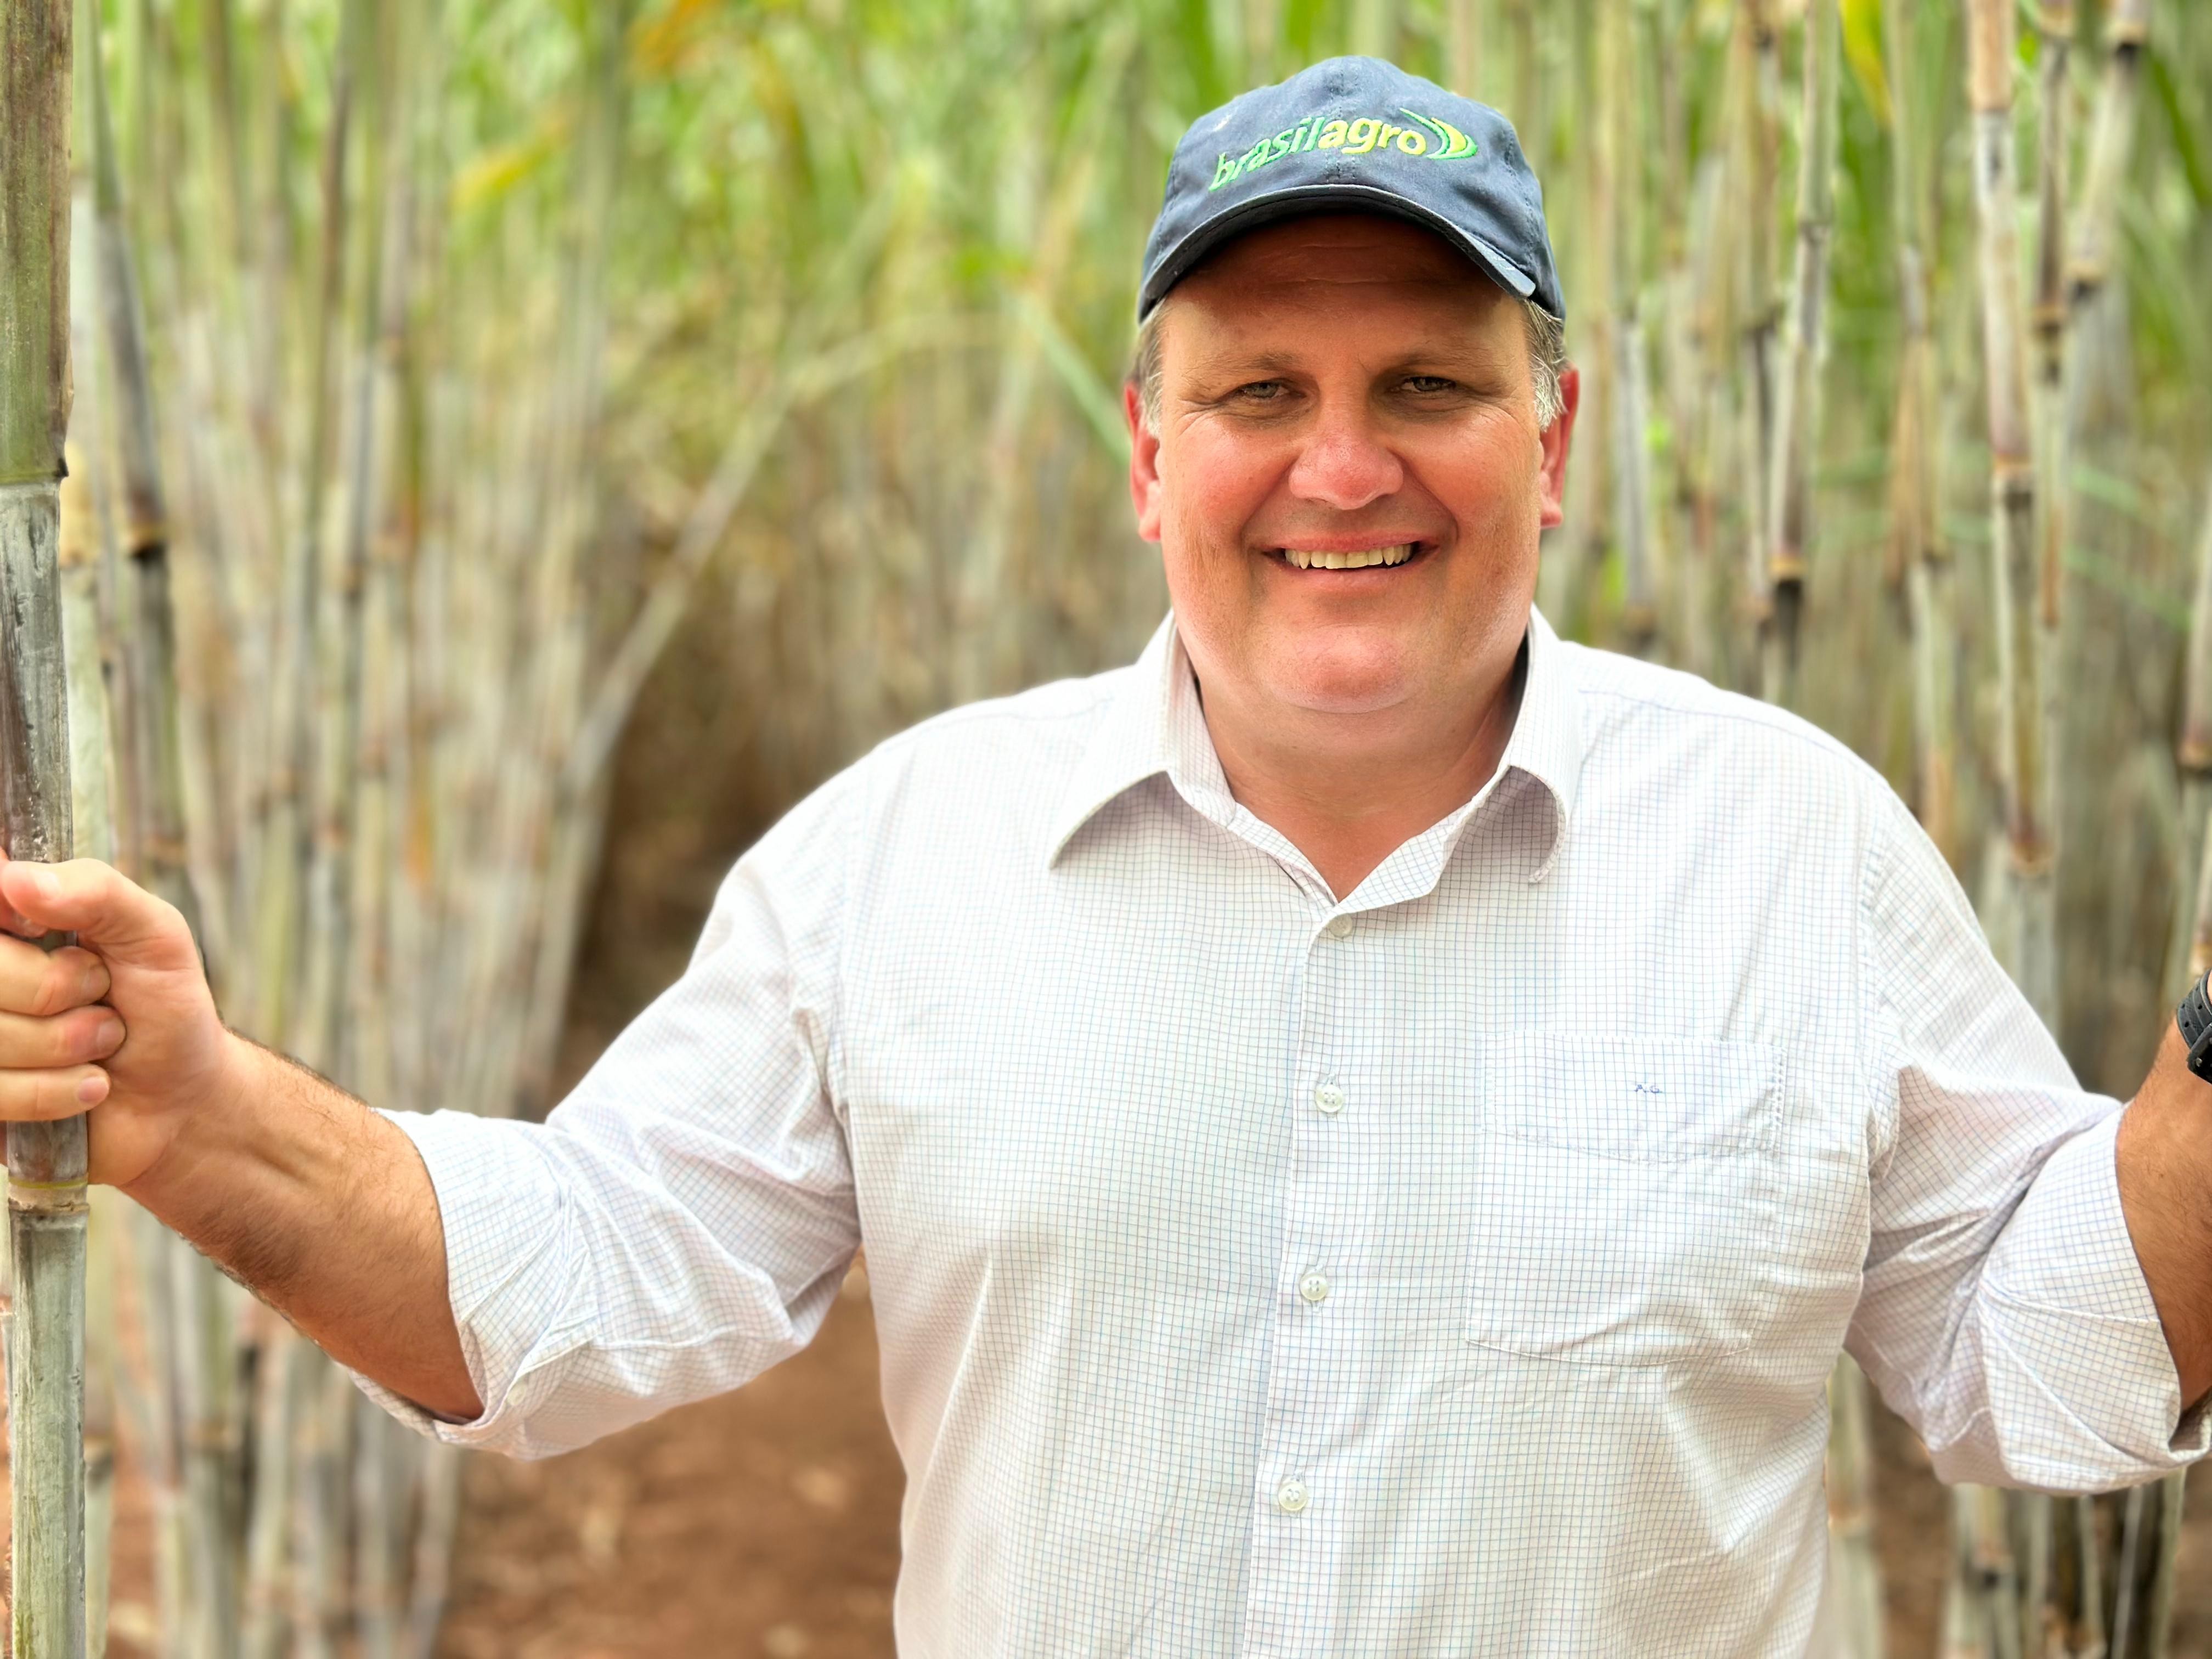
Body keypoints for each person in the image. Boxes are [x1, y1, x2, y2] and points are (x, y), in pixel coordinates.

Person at [0, 55, 2205, 1656]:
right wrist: (197, 1122)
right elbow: (575, 1279)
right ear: (1150, 453)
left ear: (1553, 434)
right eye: (1261, 394)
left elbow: (2052, 1351)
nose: (1344, 468)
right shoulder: (912, 855)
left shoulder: (1789, 851)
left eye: (1426, 384)